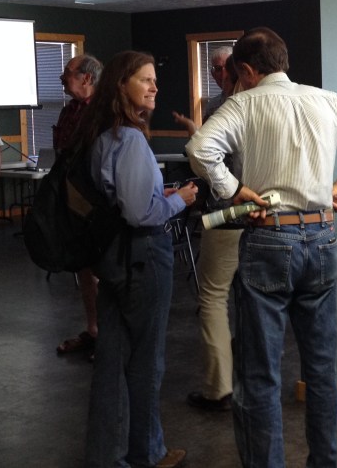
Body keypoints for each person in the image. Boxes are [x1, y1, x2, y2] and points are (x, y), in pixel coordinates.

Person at [186, 27, 337, 468]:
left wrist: (234, 189)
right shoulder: (325, 100)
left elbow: (200, 149)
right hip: (322, 239)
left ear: (246, 69)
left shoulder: (243, 104)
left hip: (269, 240)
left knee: (259, 375)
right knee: (320, 372)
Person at [75, 51, 197, 468]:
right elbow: (138, 214)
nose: (154, 86)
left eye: (154, 79)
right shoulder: (129, 139)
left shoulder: (102, 136)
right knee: (145, 363)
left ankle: (111, 455)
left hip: (113, 257)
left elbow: (121, 200)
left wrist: (154, 198)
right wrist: (177, 200)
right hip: (142, 256)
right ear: (120, 85)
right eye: (144, 79)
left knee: (113, 359)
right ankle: (146, 454)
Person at [175, 53, 244, 412]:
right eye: (212, 68)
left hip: (228, 214)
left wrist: (194, 137)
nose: (217, 74)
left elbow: (206, 158)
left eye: (222, 69)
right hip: (265, 216)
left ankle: (219, 388)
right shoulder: (267, 103)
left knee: (213, 299)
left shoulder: (228, 109)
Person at [53, 54, 104, 360]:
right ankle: (94, 329)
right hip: (74, 198)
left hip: (97, 199)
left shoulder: (103, 112)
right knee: (85, 269)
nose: (62, 78)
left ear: (87, 78)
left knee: (103, 270)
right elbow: (62, 148)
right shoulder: (70, 109)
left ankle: (109, 338)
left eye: (68, 73)